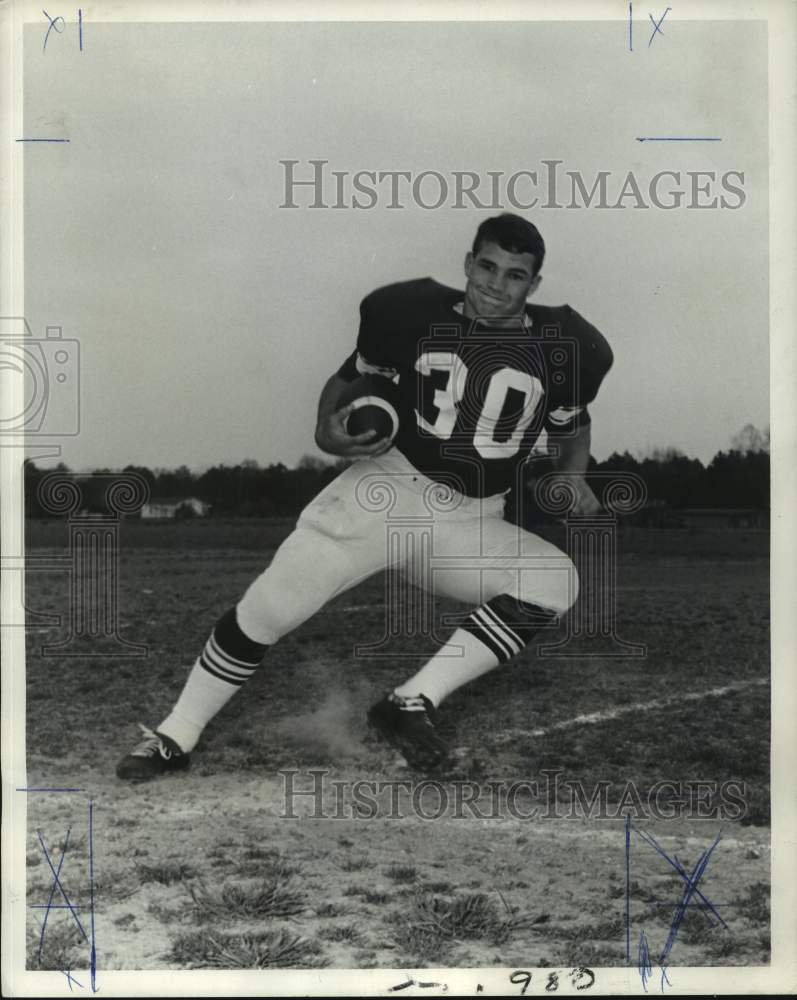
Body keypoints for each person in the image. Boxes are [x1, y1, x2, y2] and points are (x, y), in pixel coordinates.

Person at [116, 213, 613, 781]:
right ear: (467, 263)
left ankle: (408, 704)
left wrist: (574, 476)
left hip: (472, 518)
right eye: (487, 267)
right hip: (385, 490)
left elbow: (573, 424)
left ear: (535, 285)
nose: (496, 285)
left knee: (554, 579)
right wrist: (325, 427)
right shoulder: (407, 314)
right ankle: (176, 734)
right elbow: (348, 377)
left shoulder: (566, 347)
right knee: (273, 607)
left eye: (515, 275)